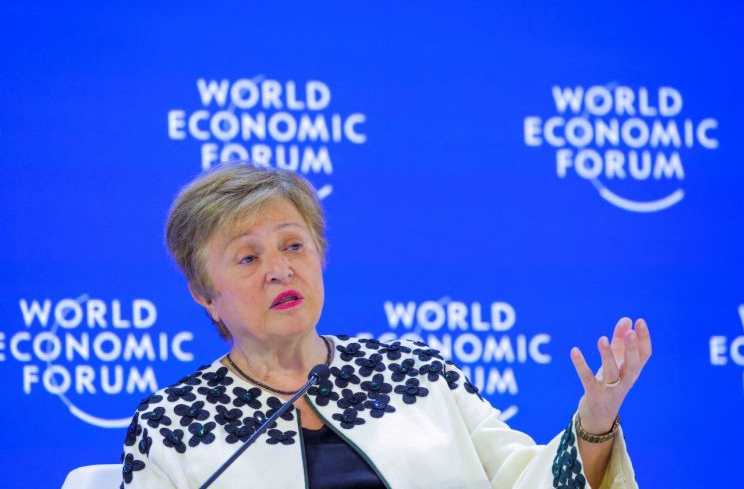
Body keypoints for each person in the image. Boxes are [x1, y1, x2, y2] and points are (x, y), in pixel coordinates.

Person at [120, 163, 651, 488]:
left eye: (293, 245)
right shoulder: (171, 426)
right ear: (204, 294)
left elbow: (525, 482)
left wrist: (595, 421)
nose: (280, 269)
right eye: (248, 258)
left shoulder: (415, 373)